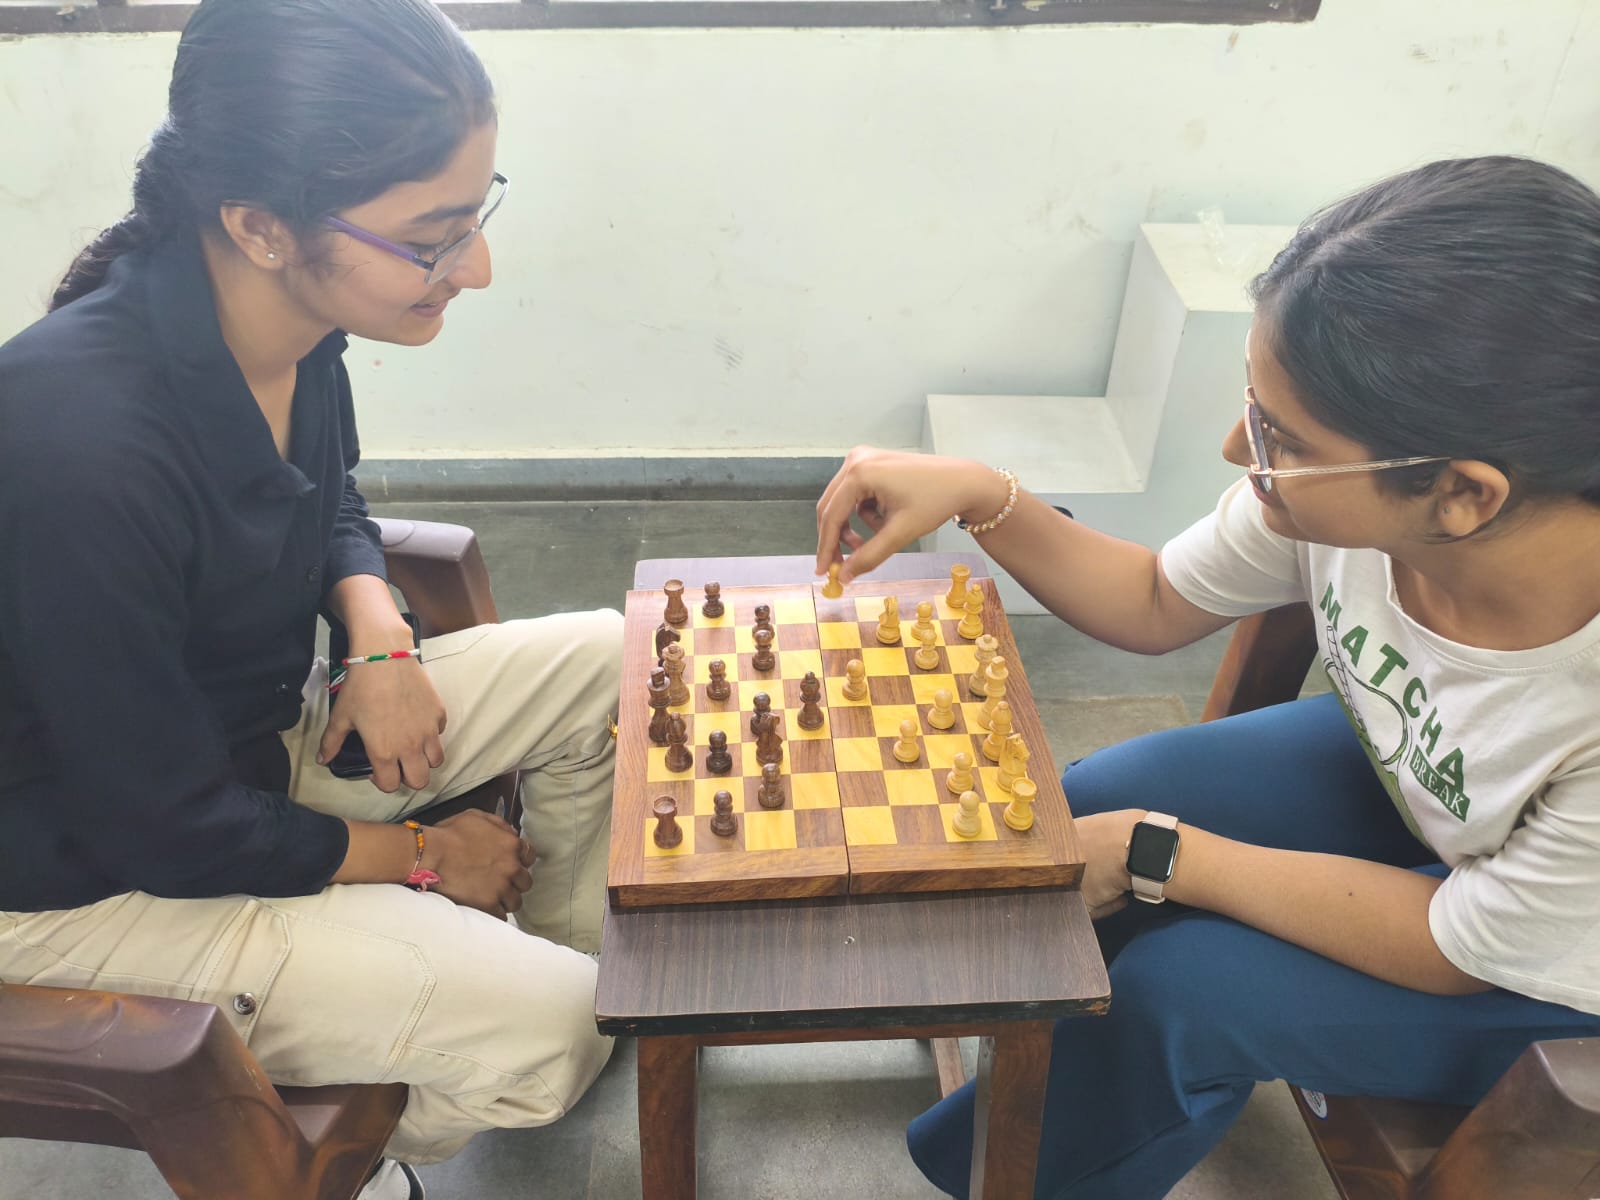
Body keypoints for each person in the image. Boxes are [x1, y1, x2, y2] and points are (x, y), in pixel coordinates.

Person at [814, 156, 1600, 1198]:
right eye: (1254, 407)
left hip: (1543, 971)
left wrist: (1163, 855)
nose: (1239, 448)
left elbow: (1457, 945)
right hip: (1436, 793)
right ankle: (1033, 1076)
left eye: (1279, 437)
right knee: (1087, 801)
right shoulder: (1363, 492)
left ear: (1462, 494)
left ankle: (1019, 1167)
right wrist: (977, 493)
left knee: (1181, 997)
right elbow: (1152, 599)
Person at [0, 2, 619, 1196]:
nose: (475, 268)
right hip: (89, 877)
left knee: (609, 659)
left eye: (475, 217)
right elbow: (163, 824)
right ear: (260, 226)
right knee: (561, 1031)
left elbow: (328, 497)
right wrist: (422, 857)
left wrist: (377, 633)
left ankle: (518, 974)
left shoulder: (289, 321)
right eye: (433, 237)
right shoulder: (78, 445)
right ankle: (359, 1123)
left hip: (245, 752)